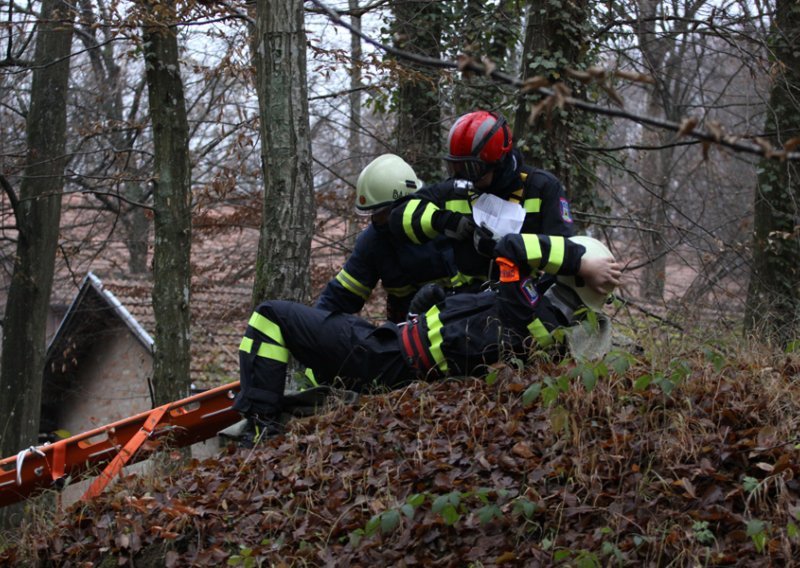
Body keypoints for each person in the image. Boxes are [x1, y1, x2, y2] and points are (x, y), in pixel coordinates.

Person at [232, 234, 622, 440]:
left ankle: (262, 427)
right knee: (312, 343)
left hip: (378, 358)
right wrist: (434, 305)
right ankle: (283, 391)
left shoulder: (531, 313)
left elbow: (511, 248)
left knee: (271, 316)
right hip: (387, 350)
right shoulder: (538, 318)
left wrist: (579, 259)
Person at [388, 109, 575, 285]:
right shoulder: (457, 189)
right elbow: (398, 216)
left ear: (498, 162)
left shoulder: (541, 188)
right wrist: (442, 220)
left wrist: (507, 247)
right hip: (466, 301)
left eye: (470, 168)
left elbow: (565, 251)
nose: (463, 176)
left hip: (526, 299)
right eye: (457, 167)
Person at [315, 154, 462, 323]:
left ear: (408, 202)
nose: (376, 220)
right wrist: (312, 326)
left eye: (382, 212)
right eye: (373, 213)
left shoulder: (445, 224)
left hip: (458, 325)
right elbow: (340, 296)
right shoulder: (374, 240)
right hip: (406, 334)